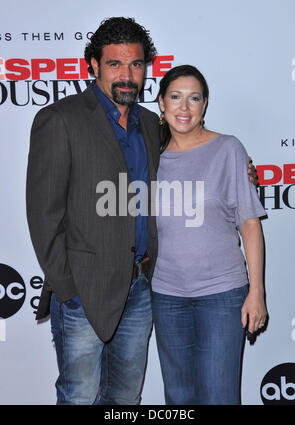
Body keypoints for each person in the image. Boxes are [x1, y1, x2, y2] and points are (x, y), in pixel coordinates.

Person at [26, 17, 160, 405]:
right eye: (115, 64)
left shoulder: (151, 124)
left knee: (125, 398)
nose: (127, 75)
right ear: (93, 65)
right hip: (83, 292)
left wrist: (241, 168)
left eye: (136, 64)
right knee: (79, 397)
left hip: (139, 288)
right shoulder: (60, 119)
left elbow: (191, 155)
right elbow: (43, 213)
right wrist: (68, 288)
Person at [151, 65, 267, 405]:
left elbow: (250, 223)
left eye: (194, 98)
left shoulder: (228, 149)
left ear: (204, 105)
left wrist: (257, 292)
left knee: (219, 396)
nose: (184, 107)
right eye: (175, 97)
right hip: (166, 295)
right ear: (161, 103)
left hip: (222, 294)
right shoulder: (148, 157)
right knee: (179, 398)